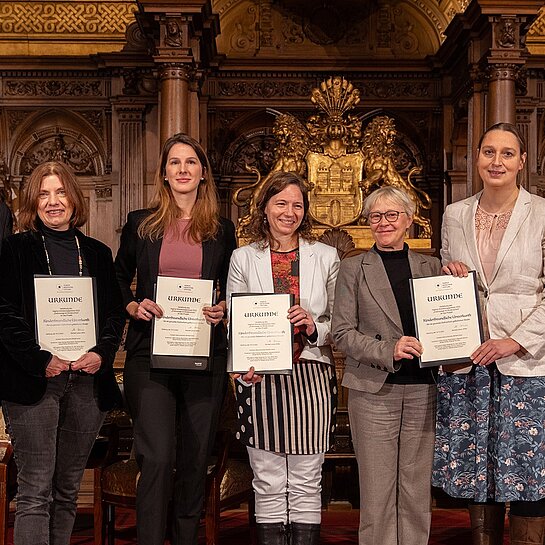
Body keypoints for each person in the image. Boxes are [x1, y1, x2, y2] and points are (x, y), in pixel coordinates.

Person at [114, 133, 236, 545]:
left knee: (193, 460)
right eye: (174, 163)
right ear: (164, 174)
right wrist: (132, 305)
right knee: (159, 457)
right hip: (149, 356)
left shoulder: (222, 229)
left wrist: (224, 310)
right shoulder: (140, 224)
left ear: (203, 173)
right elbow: (115, 279)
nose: (182, 169)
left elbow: (230, 289)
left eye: (191, 162)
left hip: (205, 357)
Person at [0, 160, 124, 545]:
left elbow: (114, 313)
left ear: (74, 197)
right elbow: (3, 313)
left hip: (87, 384)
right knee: (35, 490)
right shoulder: (14, 249)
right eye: (43, 193)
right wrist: (41, 359)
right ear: (33, 201)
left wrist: (103, 353)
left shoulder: (98, 253)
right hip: (33, 381)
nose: (53, 202)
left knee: (68, 489)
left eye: (60, 192)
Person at [432, 122, 545, 545]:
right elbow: (450, 281)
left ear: (522, 162)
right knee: (480, 469)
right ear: (475, 158)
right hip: (469, 358)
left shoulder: (542, 212)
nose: (496, 161)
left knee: (529, 469)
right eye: (488, 152)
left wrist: (514, 340)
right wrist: (450, 274)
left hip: (527, 361)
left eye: (507, 153)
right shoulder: (455, 214)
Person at [227, 170, 340, 545]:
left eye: (297, 204)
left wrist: (313, 326)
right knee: (268, 476)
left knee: (307, 476)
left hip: (310, 373)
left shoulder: (326, 256)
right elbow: (234, 319)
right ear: (264, 208)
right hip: (260, 377)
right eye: (280, 203)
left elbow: (338, 322)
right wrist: (243, 367)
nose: (289, 212)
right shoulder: (243, 258)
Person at [331, 186, 441, 545]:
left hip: (424, 391)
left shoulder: (433, 266)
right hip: (374, 392)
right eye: (376, 216)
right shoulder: (353, 268)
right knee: (377, 495)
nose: (383, 223)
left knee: (415, 492)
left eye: (392, 215)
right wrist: (388, 350)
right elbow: (342, 334)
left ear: (409, 220)